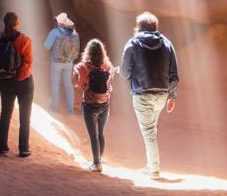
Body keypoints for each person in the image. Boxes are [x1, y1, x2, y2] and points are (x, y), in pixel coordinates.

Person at [119, 12, 179, 179]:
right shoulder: (167, 43)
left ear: (139, 27)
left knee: (149, 132)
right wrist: (171, 96)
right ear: (155, 27)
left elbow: (124, 73)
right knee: (151, 130)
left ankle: (154, 170)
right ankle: (150, 165)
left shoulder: (132, 43)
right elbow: (174, 74)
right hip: (161, 95)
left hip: (142, 93)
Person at [0, 12, 34, 157]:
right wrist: (19, 78)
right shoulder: (25, 40)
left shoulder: (0, 38)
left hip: (5, 82)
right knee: (25, 117)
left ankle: (3, 147)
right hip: (23, 84)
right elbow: (28, 63)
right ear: (17, 24)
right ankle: (23, 149)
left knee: (5, 114)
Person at [72, 38, 116, 172]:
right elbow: (111, 86)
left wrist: (77, 103)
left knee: (93, 135)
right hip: (105, 104)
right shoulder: (108, 66)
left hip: (90, 104)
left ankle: (96, 163)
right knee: (100, 133)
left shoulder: (82, 67)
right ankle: (100, 159)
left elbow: (78, 85)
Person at [44, 13, 80, 115]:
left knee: (55, 85)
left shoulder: (55, 32)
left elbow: (47, 46)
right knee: (68, 85)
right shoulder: (74, 33)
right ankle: (70, 110)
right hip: (69, 62)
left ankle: (55, 106)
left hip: (56, 61)